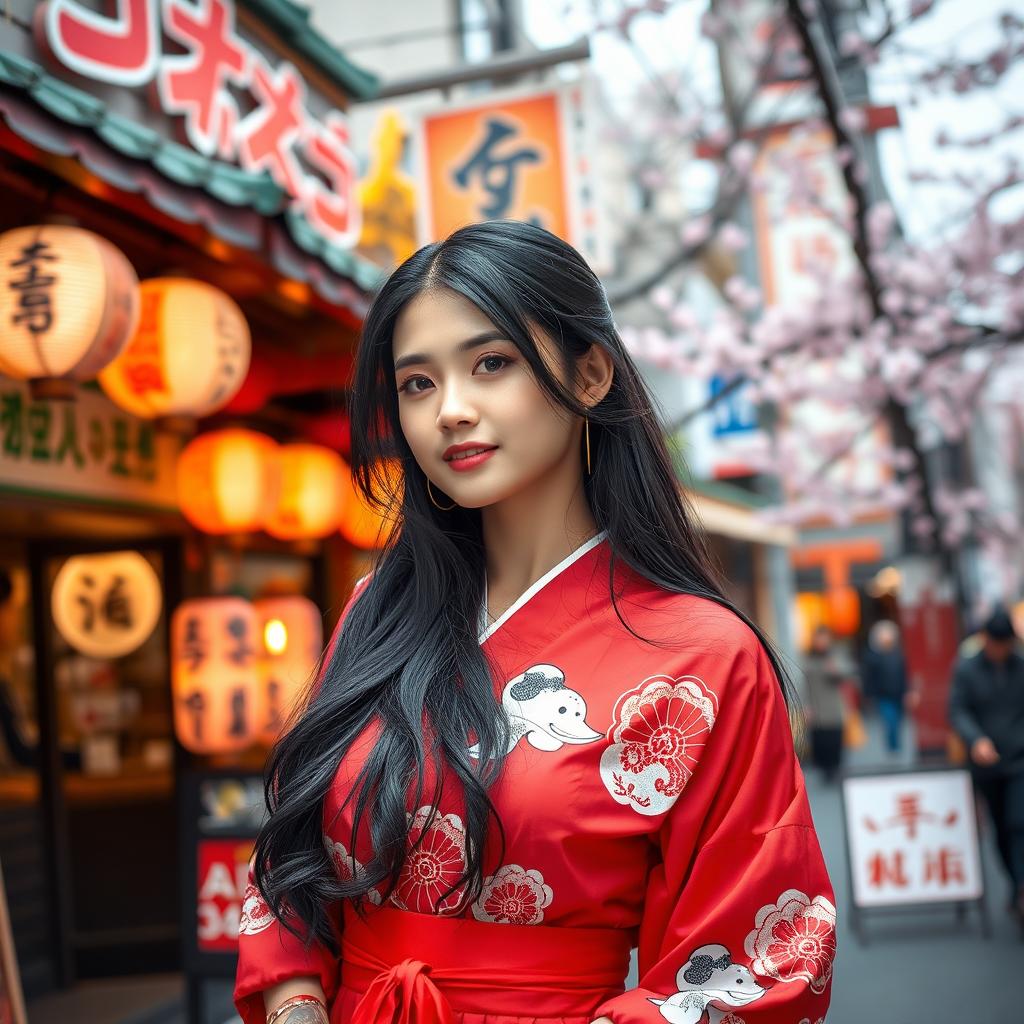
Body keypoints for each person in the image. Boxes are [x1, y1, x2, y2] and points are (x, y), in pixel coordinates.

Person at [234, 221, 835, 1024]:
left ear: (590, 375)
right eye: (417, 383)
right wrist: (295, 1003)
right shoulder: (376, 610)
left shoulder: (705, 657)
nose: (451, 410)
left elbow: (758, 961)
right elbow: (292, 854)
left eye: (491, 364)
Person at [948, 605, 1024, 931]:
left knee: (1019, 822)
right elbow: (958, 710)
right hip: (987, 763)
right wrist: (976, 739)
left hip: (1020, 759)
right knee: (1002, 831)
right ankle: (1016, 883)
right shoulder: (966, 669)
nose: (1001, 650)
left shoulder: (1021, 666)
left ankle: (1022, 891)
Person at [801, 625, 850, 784]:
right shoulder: (809, 658)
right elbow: (804, 683)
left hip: (834, 707)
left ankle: (835, 769)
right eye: (818, 639)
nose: (821, 642)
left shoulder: (835, 655)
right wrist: (805, 706)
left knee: (834, 740)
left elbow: (845, 675)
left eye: (824, 638)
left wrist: (834, 670)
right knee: (820, 742)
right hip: (816, 708)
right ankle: (826, 769)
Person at [861, 620, 909, 755]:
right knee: (890, 721)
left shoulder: (898, 654)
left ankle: (895, 745)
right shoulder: (873, 656)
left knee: (898, 721)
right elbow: (868, 677)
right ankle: (893, 748)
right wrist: (868, 695)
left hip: (898, 693)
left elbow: (904, 674)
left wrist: (908, 691)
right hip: (883, 695)